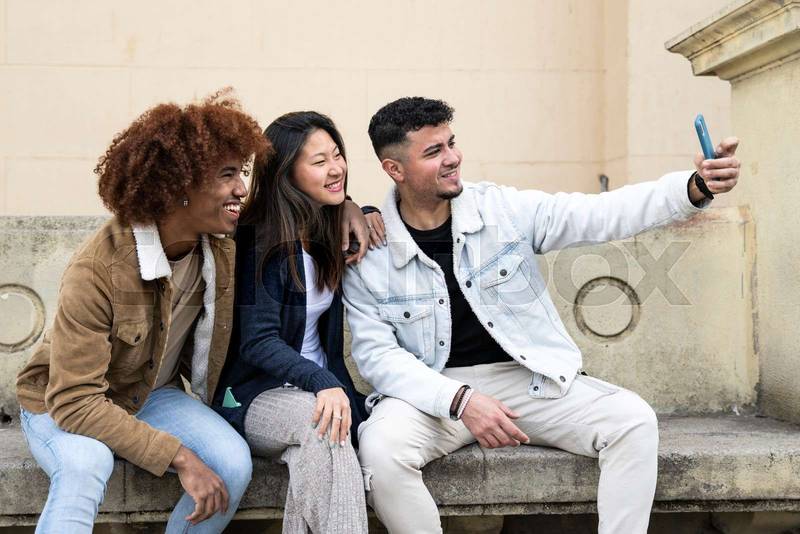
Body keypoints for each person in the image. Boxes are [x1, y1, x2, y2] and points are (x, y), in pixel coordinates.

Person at [343, 97, 741, 534]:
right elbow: (377, 356)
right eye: (433, 152)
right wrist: (459, 400)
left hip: (525, 378)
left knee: (632, 421)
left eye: (451, 144)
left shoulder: (501, 210)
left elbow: (600, 214)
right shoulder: (368, 251)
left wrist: (693, 187)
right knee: (381, 453)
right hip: (431, 393)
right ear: (394, 169)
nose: (453, 158)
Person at [14, 91, 372, 534]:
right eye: (227, 176)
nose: (241, 188)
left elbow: (288, 201)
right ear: (180, 188)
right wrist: (180, 458)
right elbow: (74, 401)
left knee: (231, 464)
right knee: (86, 463)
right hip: (66, 401)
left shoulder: (221, 238)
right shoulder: (100, 268)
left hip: (151, 393)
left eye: (241, 173)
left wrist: (351, 206)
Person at [213, 111, 382, 534]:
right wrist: (321, 382)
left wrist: (356, 205)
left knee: (322, 449)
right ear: (286, 174)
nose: (336, 168)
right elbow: (258, 342)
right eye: (319, 161)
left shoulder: (326, 227)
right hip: (254, 396)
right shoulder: (257, 239)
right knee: (327, 429)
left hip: (321, 392)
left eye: (338, 155)